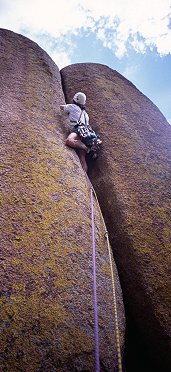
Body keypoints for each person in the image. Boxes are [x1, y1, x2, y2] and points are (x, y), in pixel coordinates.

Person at [60, 92, 92, 173]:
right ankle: (85, 178)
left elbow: (62, 107)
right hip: (86, 134)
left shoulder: (72, 106)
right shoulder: (86, 114)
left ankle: (84, 147)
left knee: (69, 140)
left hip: (77, 130)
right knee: (82, 158)